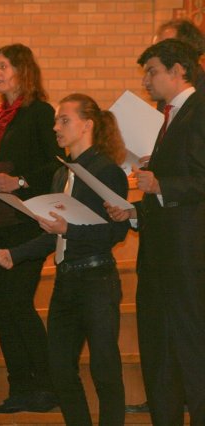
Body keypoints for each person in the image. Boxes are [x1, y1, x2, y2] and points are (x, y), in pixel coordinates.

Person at [0, 93, 129, 425]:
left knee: (104, 368)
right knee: (60, 370)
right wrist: (16, 253)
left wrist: (69, 229)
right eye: (56, 120)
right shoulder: (61, 175)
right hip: (66, 281)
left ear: (87, 125)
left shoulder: (106, 171)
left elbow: (116, 232)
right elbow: (55, 234)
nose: (56, 127)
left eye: (64, 120)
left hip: (97, 279)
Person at [0, 43, 63, 413]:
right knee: (2, 310)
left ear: (23, 70)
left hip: (24, 223)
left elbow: (57, 165)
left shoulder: (40, 113)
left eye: (3, 66)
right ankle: (19, 387)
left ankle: (47, 387)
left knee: (18, 304)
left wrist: (18, 181)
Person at [106, 39, 205, 425]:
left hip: (187, 257)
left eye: (152, 71)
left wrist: (161, 183)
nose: (146, 81)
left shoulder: (198, 110)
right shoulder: (170, 118)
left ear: (178, 70)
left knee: (191, 352)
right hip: (162, 257)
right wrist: (135, 210)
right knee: (159, 353)